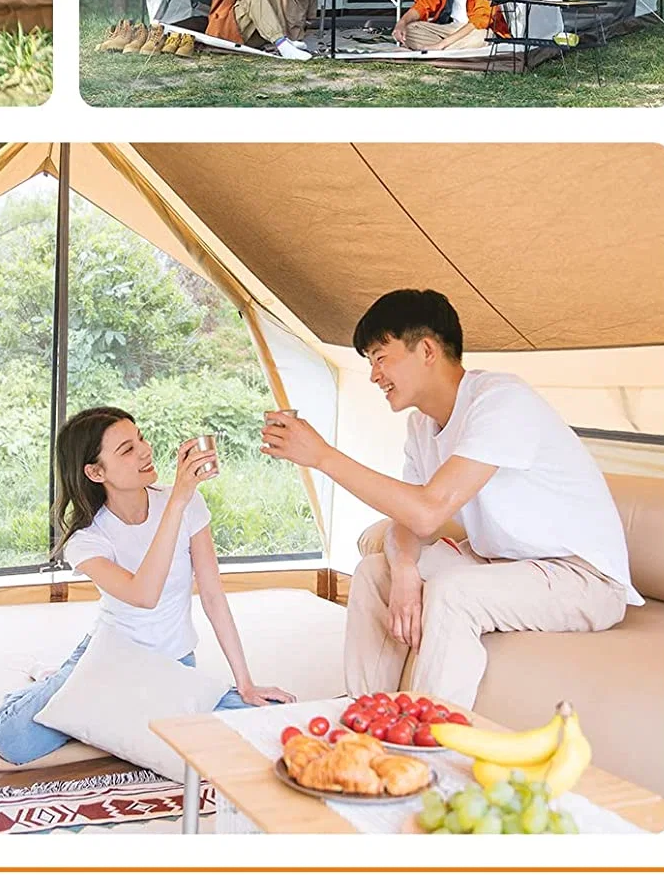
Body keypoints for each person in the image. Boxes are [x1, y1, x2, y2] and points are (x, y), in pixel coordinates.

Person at [261, 289, 638, 709]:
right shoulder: (422, 427)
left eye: (381, 357)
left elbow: (428, 511)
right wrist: (404, 568)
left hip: (583, 580)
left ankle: (423, 748)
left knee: (452, 593)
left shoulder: (501, 401)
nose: (373, 375)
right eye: (369, 362)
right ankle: (367, 719)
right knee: (374, 574)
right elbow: (407, 517)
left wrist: (323, 457)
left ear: (426, 350)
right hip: (507, 564)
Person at [0, 407, 293, 764]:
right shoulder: (88, 539)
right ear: (95, 471)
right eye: (127, 449)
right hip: (109, 662)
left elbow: (212, 596)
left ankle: (81, 699)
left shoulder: (188, 502)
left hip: (171, 663)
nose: (146, 451)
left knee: (266, 721)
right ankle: (53, 684)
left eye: (141, 439)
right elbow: (142, 595)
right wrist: (177, 502)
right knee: (14, 741)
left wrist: (245, 682)